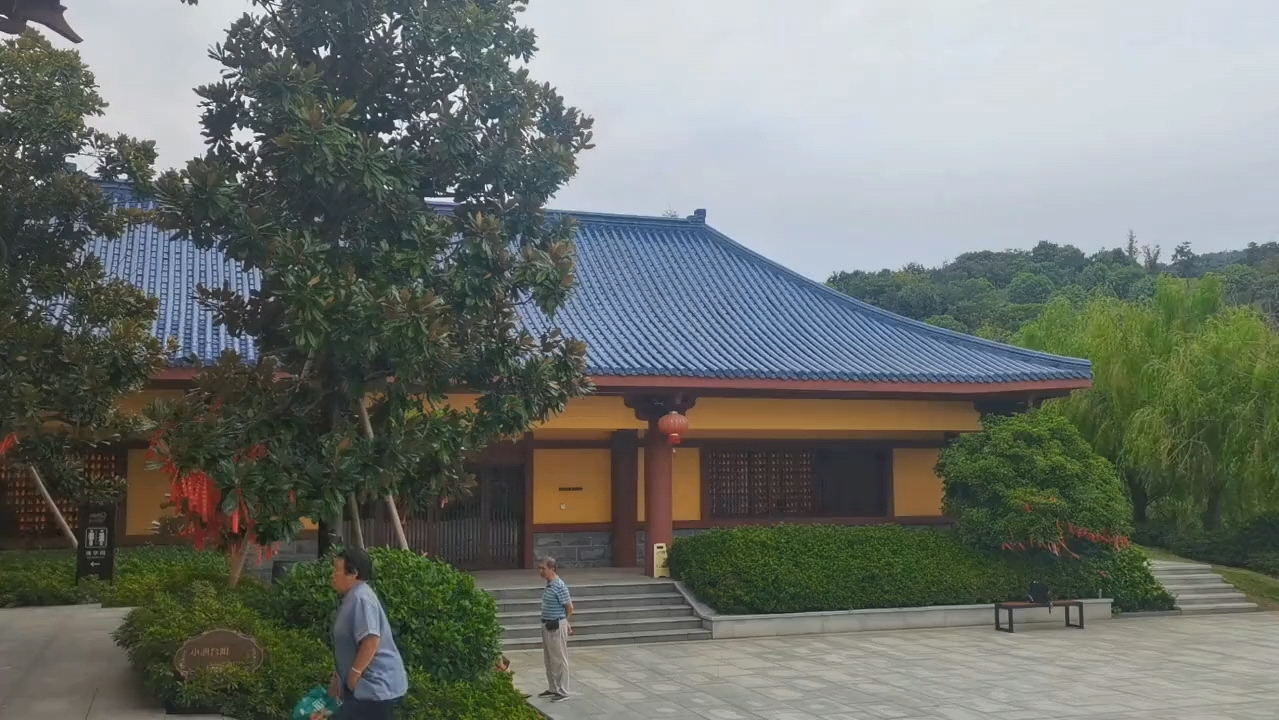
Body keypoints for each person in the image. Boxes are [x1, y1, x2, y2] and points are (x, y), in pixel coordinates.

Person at [328, 547, 408, 720]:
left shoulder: (362, 599)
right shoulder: (352, 597)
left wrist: (354, 676)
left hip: (374, 687)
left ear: (353, 573)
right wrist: (339, 677)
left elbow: (371, 641)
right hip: (362, 688)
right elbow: (349, 644)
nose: (333, 575)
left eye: (337, 570)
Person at [537, 556, 574, 702]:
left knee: (559, 659)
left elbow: (569, 607)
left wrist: (564, 621)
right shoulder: (549, 585)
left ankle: (563, 690)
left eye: (543, 568)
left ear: (552, 569)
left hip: (556, 626)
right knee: (549, 659)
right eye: (540, 568)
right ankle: (552, 687)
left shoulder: (559, 585)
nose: (541, 571)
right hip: (546, 625)